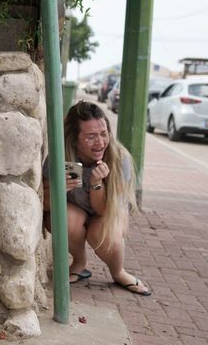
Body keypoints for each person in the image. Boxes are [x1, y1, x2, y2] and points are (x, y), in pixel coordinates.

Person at [43, 101, 151, 296]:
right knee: (63, 218)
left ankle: (118, 272)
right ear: (74, 139)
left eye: (103, 134)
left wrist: (96, 183)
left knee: (101, 233)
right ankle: (79, 261)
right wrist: (59, 191)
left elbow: (104, 212)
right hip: (76, 212)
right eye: (91, 137)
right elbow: (44, 205)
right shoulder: (61, 157)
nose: (100, 142)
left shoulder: (119, 160)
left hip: (106, 213)